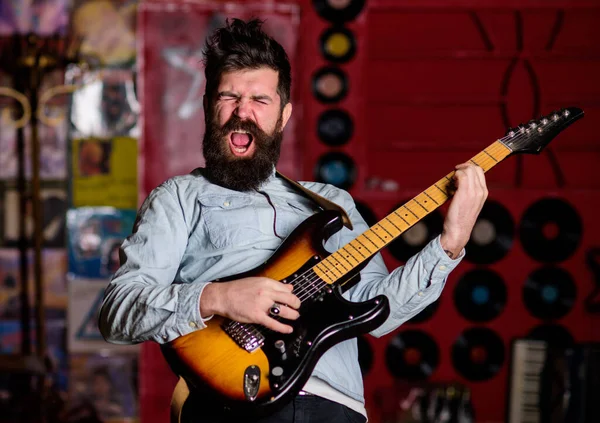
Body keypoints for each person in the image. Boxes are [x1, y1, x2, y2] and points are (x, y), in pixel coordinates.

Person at [98, 18, 488, 423]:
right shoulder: (178, 197)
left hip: (335, 408)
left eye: (259, 101)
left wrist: (450, 242)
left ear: (283, 116)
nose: (242, 113)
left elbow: (379, 310)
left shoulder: (331, 203)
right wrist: (219, 297)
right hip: (233, 403)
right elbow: (118, 310)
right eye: (228, 97)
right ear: (208, 107)